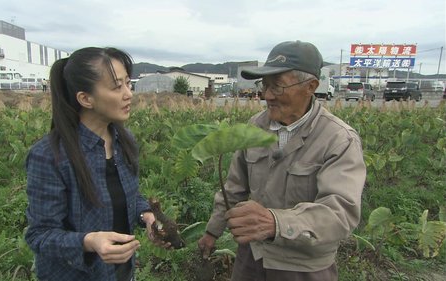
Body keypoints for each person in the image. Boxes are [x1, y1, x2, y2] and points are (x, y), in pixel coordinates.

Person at [198, 40, 366, 281]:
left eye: (277, 87)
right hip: (252, 257)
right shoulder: (255, 127)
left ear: (311, 86)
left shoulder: (338, 139)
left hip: (303, 267)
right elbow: (235, 187)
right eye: (264, 85)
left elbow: (340, 213)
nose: (266, 96)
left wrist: (276, 223)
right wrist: (212, 231)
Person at [25, 47, 167, 281]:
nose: (128, 94)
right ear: (85, 98)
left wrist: (146, 216)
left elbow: (125, 196)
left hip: (122, 273)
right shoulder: (50, 155)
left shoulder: (124, 140)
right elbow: (40, 235)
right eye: (116, 86)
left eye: (128, 84)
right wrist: (89, 242)